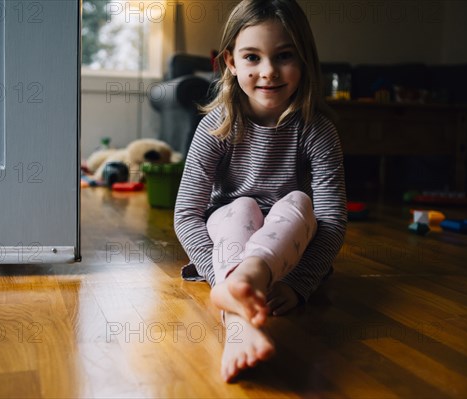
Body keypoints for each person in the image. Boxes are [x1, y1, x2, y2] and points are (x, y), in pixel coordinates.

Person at [173, 0, 347, 382]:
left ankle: (245, 285)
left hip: (286, 254)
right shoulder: (216, 128)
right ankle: (238, 302)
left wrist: (299, 284)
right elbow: (186, 214)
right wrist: (219, 278)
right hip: (229, 243)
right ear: (230, 63)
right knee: (244, 205)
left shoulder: (317, 131)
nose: (268, 72)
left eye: (284, 56)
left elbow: (331, 220)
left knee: (301, 201)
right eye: (252, 57)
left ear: (305, 61)